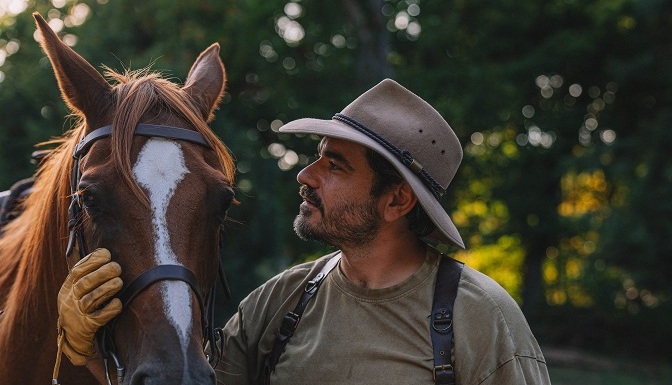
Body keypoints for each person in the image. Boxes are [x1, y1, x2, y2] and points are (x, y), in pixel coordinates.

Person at [57, 79, 552, 384]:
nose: (305, 175)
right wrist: (79, 347)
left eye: (335, 165)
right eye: (316, 156)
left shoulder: (480, 319)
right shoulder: (284, 303)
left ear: (396, 200)